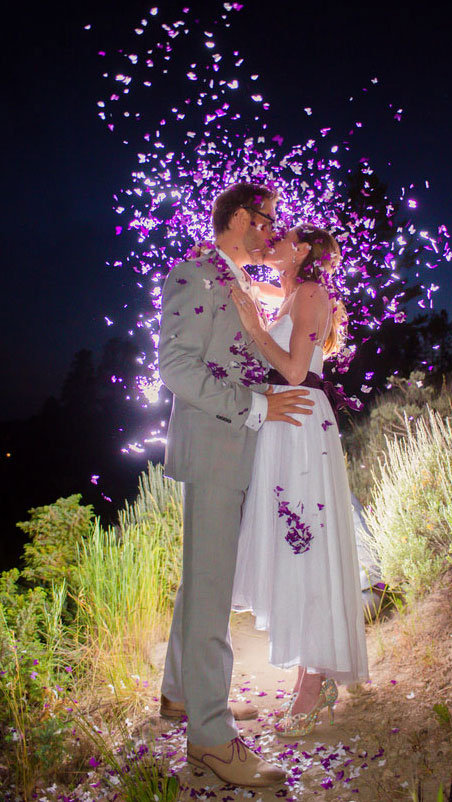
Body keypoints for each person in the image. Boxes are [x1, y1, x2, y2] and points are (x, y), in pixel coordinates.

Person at [157, 183, 315, 787]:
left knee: (203, 582)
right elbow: (175, 368)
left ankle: (180, 696)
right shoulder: (195, 273)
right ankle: (212, 738)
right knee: (210, 589)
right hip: (216, 448)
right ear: (241, 218)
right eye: (267, 221)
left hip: (235, 448)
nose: (272, 232)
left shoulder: (237, 279)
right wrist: (255, 408)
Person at [231, 224, 369, 737]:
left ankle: (314, 682)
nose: (275, 242)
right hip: (283, 422)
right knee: (294, 544)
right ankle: (308, 675)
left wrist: (254, 327)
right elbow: (244, 277)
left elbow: (292, 370)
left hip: (300, 417)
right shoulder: (291, 292)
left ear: (305, 251)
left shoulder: (312, 293)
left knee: (305, 544)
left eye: (284, 237)